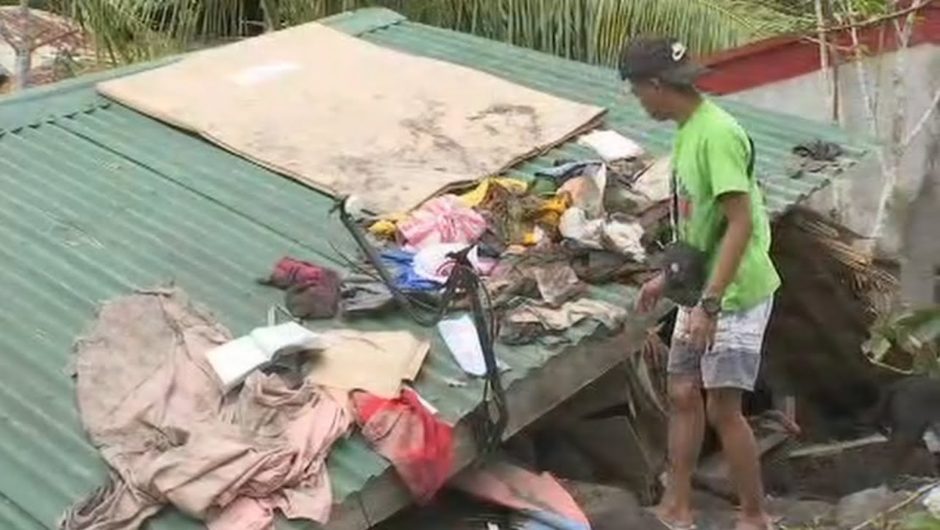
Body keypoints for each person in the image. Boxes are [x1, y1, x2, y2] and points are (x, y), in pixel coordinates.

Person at [623, 37, 781, 530]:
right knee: (683, 393)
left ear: (655, 85)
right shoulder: (687, 129)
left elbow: (740, 224)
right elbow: (697, 227)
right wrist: (664, 280)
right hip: (702, 291)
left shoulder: (718, 135)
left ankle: (754, 516)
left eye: (635, 90)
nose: (637, 100)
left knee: (723, 407)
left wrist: (712, 303)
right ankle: (678, 507)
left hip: (735, 293)